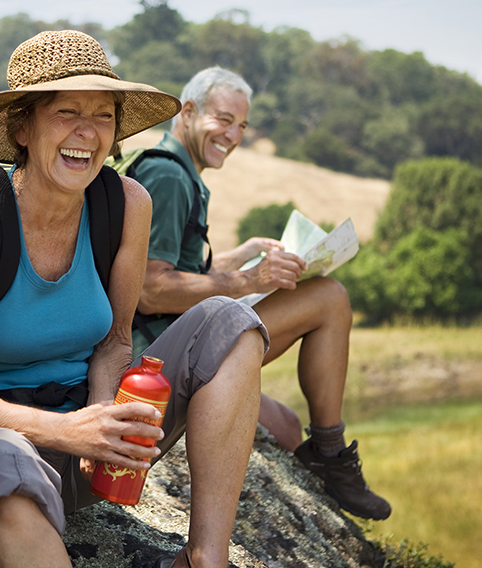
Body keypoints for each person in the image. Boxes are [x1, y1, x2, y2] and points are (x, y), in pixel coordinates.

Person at [0, 30, 267, 568]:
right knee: (4, 462)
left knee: (232, 322)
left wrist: (103, 418)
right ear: (22, 127)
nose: (88, 132)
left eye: (104, 116)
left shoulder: (126, 204)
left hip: (81, 451)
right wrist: (65, 430)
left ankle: (203, 558)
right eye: (67, 112)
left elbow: (115, 340)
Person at [130, 66, 391, 521]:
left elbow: (177, 269)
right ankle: (332, 451)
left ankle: (323, 477)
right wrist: (253, 280)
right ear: (187, 112)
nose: (233, 135)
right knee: (328, 297)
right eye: (224, 119)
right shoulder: (169, 177)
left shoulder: (175, 172)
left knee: (287, 427)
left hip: (169, 342)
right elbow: (150, 290)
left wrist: (241, 257)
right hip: (155, 359)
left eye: (242, 126)